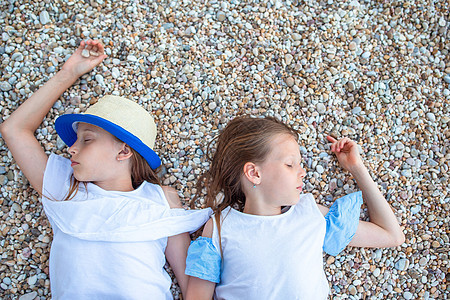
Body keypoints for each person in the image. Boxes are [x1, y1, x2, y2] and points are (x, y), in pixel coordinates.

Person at [0, 40, 211, 299]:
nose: (71, 149)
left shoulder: (162, 200)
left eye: (86, 139)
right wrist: (69, 72)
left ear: (124, 152)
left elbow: (190, 285)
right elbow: (14, 130)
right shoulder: (64, 187)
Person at [184, 116, 405, 299]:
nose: (302, 172)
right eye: (290, 164)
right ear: (254, 173)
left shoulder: (309, 214)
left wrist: (357, 168)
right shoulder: (221, 228)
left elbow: (391, 235)